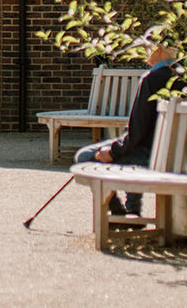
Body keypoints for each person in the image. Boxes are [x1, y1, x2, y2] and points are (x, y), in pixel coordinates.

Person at [73, 33, 180, 216]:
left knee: (86, 156)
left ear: (159, 50)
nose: (145, 53)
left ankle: (120, 214)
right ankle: (132, 209)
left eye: (148, 48)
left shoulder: (151, 79)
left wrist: (113, 151)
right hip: (175, 154)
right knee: (130, 147)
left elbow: (137, 132)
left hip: (150, 155)